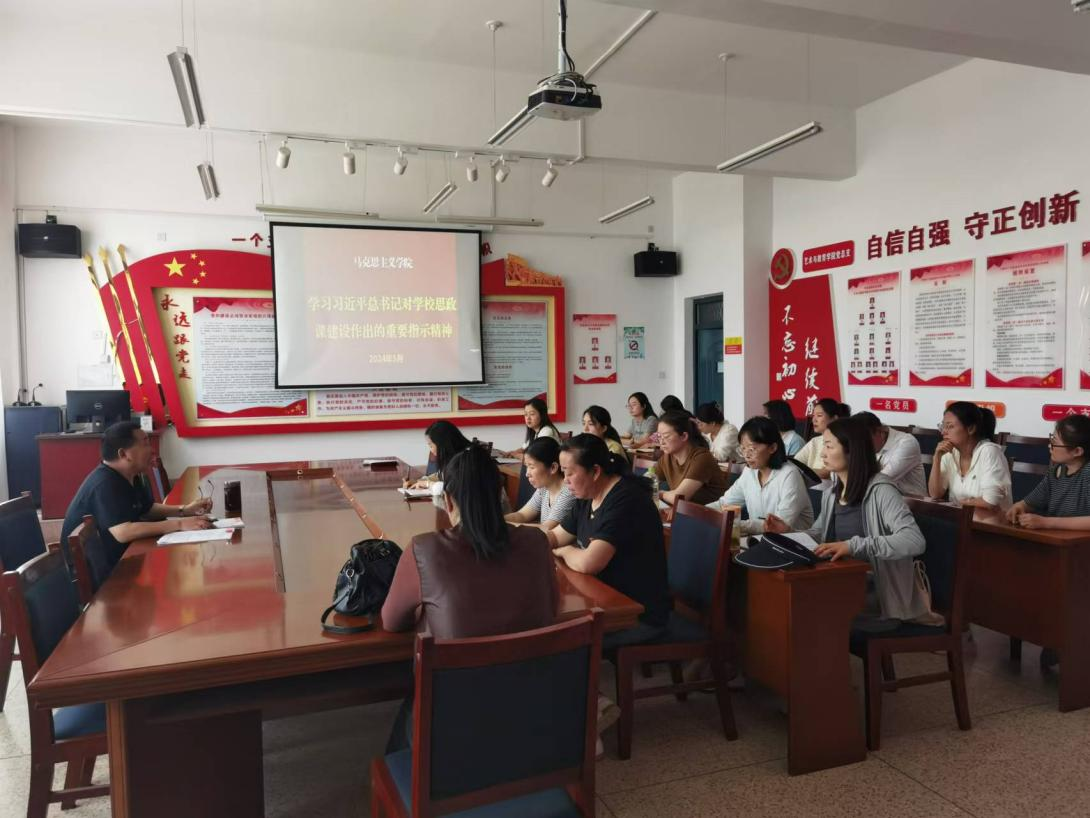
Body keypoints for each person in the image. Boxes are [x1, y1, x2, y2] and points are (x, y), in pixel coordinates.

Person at [382, 444, 560, 751]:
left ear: (448, 500)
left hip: (456, 719)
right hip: (533, 707)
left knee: (407, 718)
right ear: (501, 494)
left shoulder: (424, 550)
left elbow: (391, 621)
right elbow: (552, 606)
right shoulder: (536, 542)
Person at [766, 417, 933, 631]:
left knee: (804, 614)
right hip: (840, 582)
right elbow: (819, 534)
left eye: (828, 446)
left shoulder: (881, 490)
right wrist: (788, 531)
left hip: (877, 597)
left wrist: (852, 545)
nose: (822, 454)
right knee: (784, 603)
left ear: (851, 450)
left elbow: (914, 540)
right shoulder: (832, 493)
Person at [547, 434, 671, 650]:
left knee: (560, 640)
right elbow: (556, 537)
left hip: (637, 615)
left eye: (569, 473)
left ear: (595, 471)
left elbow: (589, 563)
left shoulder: (626, 500)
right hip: (604, 598)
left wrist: (564, 551)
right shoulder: (587, 495)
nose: (565, 480)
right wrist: (517, 537)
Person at [60, 421, 212, 568]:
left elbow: (146, 509)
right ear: (123, 454)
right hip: (101, 574)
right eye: (145, 444)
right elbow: (123, 532)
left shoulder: (130, 475)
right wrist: (179, 524)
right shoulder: (105, 483)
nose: (152, 450)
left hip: (122, 556)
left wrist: (184, 510)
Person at [707, 416, 813, 536]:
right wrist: (699, 512)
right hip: (760, 539)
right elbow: (725, 504)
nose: (746, 455)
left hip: (792, 542)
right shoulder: (749, 472)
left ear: (772, 448)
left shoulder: (789, 475)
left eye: (752, 449)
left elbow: (777, 524)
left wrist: (736, 524)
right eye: (743, 449)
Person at [1006, 416, 1090, 531]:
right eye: (1051, 439)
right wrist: (1020, 506)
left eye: (1054, 442)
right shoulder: (1056, 471)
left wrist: (1046, 522)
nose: (1049, 446)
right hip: (1056, 538)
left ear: (1077, 451)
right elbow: (1031, 502)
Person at [928, 401, 1011, 510]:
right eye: (943, 426)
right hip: (962, 518)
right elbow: (935, 494)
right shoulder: (949, 453)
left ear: (971, 429)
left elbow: (991, 501)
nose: (943, 432)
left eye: (950, 426)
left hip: (990, 519)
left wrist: (956, 504)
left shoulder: (989, 451)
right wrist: (937, 459)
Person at [656, 411, 727, 506]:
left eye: (666, 436)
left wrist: (660, 494)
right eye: (659, 436)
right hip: (684, 511)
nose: (661, 442)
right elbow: (645, 483)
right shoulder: (667, 457)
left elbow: (678, 498)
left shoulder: (702, 457)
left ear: (684, 436)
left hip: (710, 512)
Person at [505, 437, 575, 530]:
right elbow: (522, 515)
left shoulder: (568, 492)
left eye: (532, 467)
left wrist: (502, 525)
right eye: (527, 466)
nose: (527, 474)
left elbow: (546, 528)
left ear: (553, 468)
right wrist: (498, 520)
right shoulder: (544, 488)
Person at [853, 411, 927, 496]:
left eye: (864, 440)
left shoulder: (907, 442)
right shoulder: (865, 446)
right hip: (879, 499)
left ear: (880, 432)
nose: (861, 445)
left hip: (911, 501)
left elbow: (883, 479)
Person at [795, 398, 851, 478]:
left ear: (834, 418)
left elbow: (826, 473)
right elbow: (795, 463)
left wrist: (801, 471)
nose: (814, 420)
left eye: (819, 415)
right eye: (813, 416)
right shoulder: (815, 441)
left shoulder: (841, 440)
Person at [407, 419, 471, 489]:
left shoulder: (466, 459)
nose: (431, 450)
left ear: (442, 444)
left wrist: (427, 484)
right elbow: (441, 475)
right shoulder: (452, 457)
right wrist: (419, 481)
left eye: (431, 446)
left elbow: (451, 488)